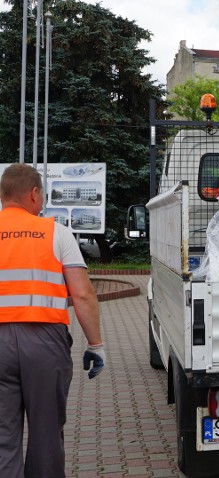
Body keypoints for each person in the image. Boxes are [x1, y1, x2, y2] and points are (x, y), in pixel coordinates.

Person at [0, 164, 106, 477]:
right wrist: (96, 345)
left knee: (3, 436)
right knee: (46, 433)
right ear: (33, 194)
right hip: (45, 342)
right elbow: (83, 295)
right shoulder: (56, 233)